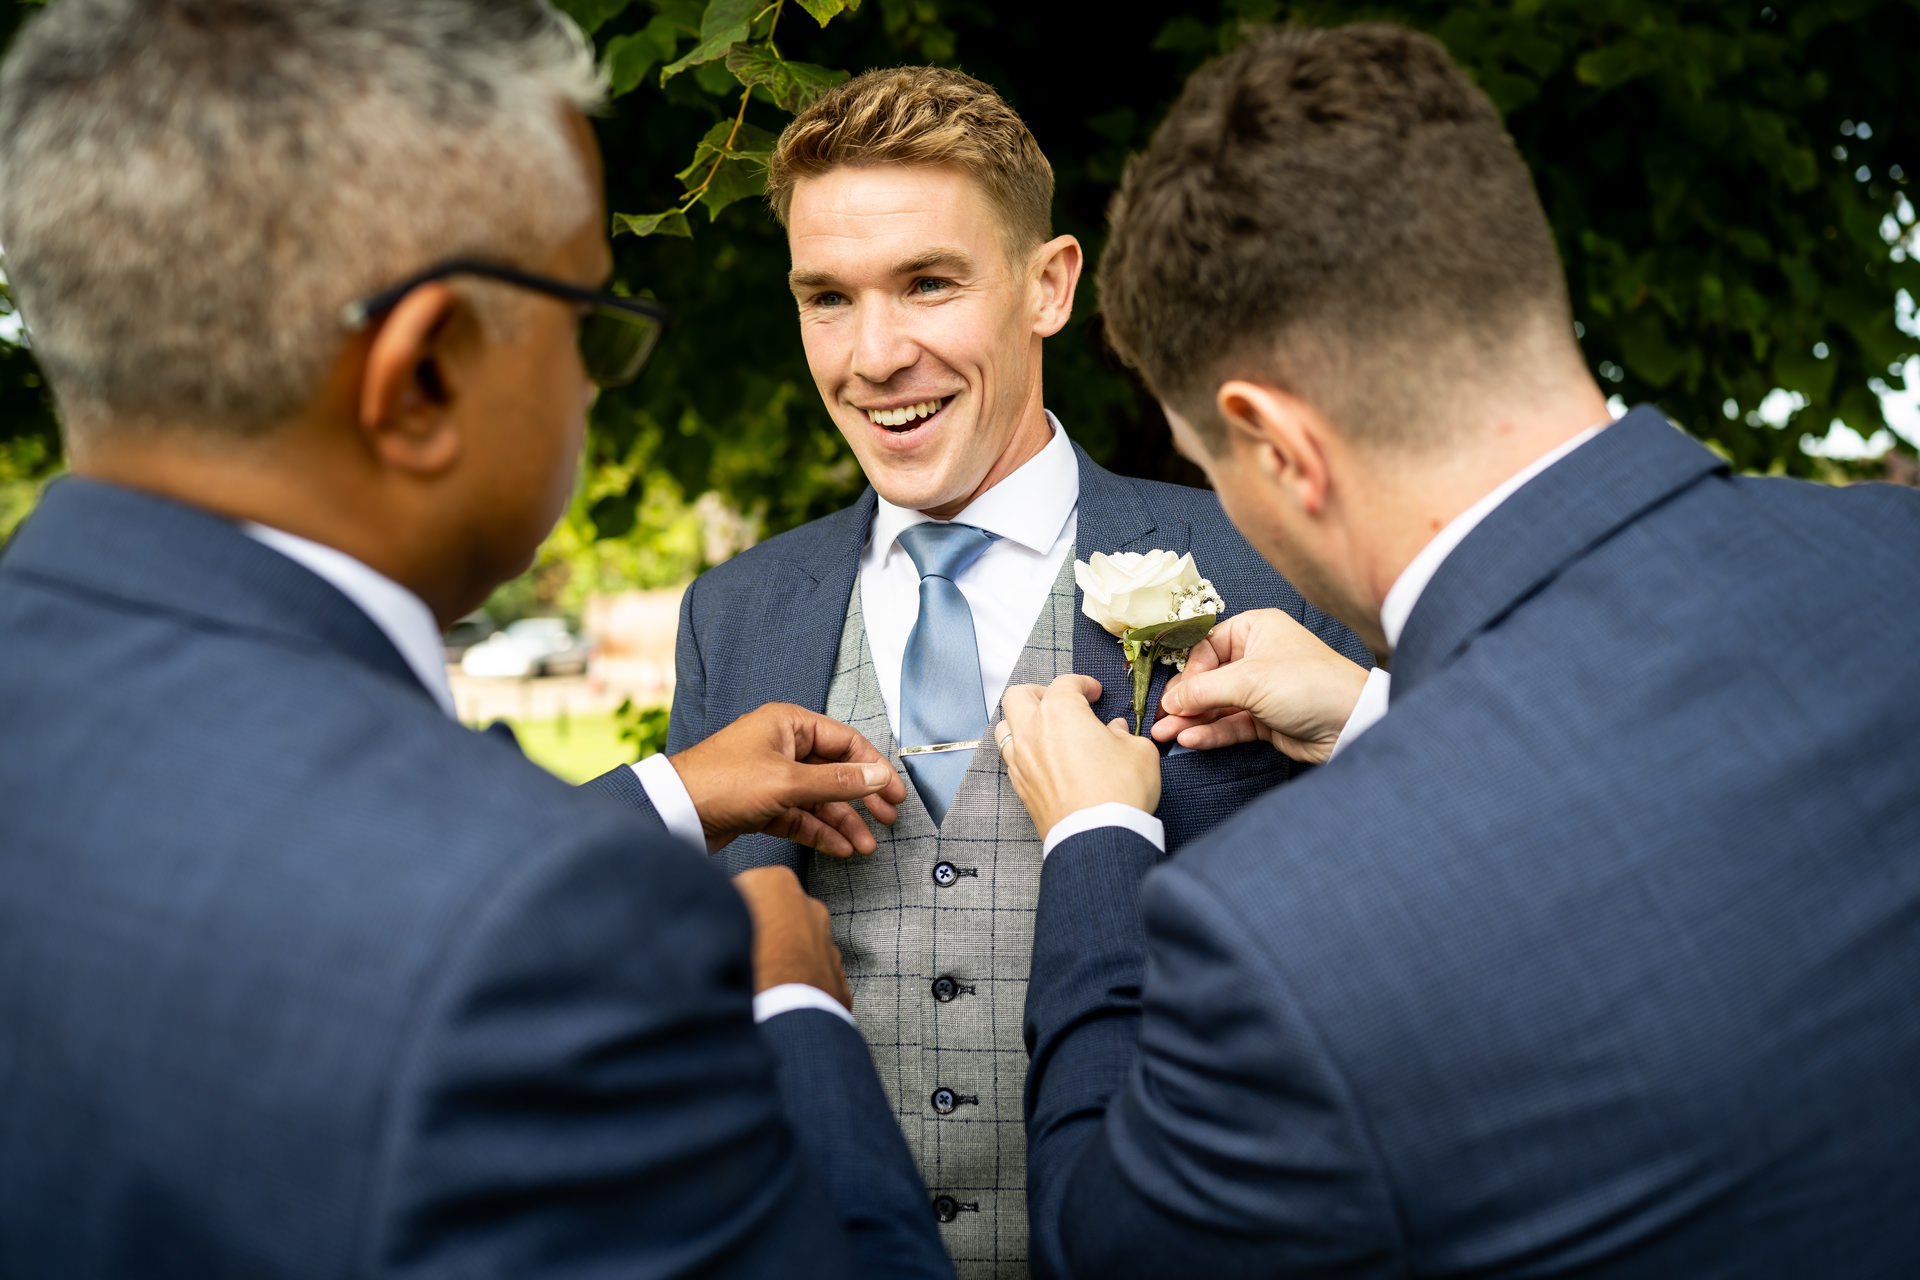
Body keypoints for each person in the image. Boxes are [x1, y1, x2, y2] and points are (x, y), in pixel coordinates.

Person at [0, 2, 950, 1276]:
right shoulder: (550, 933)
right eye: (586, 318)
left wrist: (664, 795)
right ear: (430, 371)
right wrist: (793, 1006)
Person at [994, 22, 1920, 1279]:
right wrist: (1380, 718)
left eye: (1208, 463)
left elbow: (1101, 1250)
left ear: (1275, 445)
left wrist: (1096, 844)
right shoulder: (1895, 553)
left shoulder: (1282, 934)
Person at [626, 65, 1368, 1277]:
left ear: (1048, 285)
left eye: (928, 283)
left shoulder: (1265, 556)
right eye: (827, 297)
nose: (874, 355)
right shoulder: (736, 612)